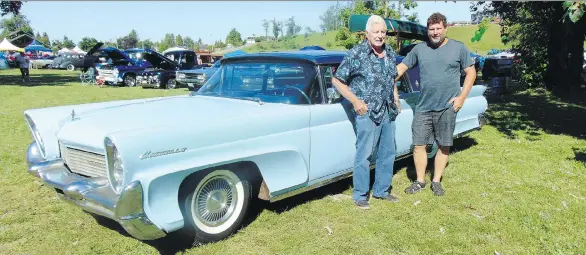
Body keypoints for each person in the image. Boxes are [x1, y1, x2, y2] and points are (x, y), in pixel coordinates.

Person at [396, 12, 477, 196]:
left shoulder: (458, 48)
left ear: (445, 28)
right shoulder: (419, 49)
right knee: (419, 145)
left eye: (438, 28)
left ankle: (436, 181)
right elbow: (401, 68)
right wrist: (387, 77)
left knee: (444, 145)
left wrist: (462, 97)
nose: (435, 32)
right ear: (428, 31)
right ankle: (419, 181)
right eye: (431, 29)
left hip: (448, 106)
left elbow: (471, 73)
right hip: (424, 106)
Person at [332, 15, 400, 209]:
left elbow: (392, 77)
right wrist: (355, 101)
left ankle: (382, 190)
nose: (380, 36)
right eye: (376, 32)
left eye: (383, 32)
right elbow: (337, 80)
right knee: (365, 154)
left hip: (387, 110)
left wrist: (395, 97)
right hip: (367, 111)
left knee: (388, 152)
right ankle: (360, 194)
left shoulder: (389, 52)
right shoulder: (356, 53)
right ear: (367, 33)